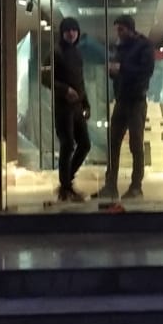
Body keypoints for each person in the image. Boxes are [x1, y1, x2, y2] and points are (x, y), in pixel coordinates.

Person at [96, 14, 155, 208]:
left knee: (136, 144)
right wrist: (112, 72)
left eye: (121, 29)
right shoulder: (120, 47)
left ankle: (136, 186)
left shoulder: (144, 46)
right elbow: (119, 72)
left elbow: (146, 71)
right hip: (121, 100)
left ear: (130, 29)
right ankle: (110, 185)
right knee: (113, 143)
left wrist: (121, 68)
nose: (118, 33)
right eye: (117, 30)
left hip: (136, 101)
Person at [52, 16, 91, 202]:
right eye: (68, 30)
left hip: (77, 108)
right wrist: (65, 90)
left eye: (74, 30)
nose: (71, 33)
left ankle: (66, 183)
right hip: (63, 108)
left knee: (85, 144)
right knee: (67, 145)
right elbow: (46, 77)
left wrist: (86, 103)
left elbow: (80, 81)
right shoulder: (55, 52)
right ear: (62, 33)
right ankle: (66, 188)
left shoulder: (77, 54)